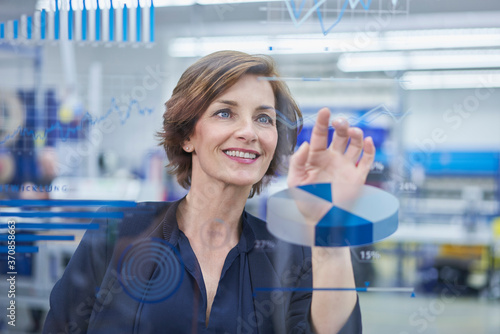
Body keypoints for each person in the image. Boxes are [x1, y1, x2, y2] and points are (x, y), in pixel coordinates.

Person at [43, 50, 375, 334]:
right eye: (225, 113)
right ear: (187, 136)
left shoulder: (293, 255)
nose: (248, 132)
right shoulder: (115, 233)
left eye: (263, 118)